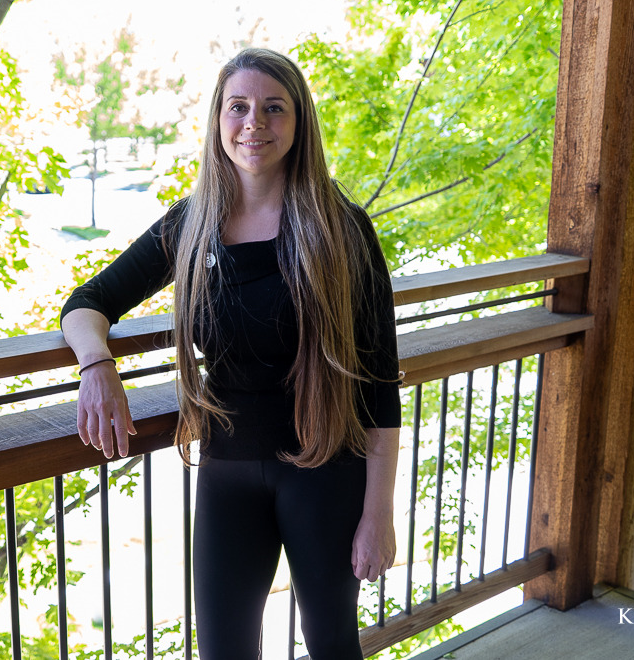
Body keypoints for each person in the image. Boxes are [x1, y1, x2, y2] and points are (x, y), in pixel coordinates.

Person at [59, 48, 401, 660]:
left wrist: (379, 513)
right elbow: (89, 303)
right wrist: (96, 366)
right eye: (238, 108)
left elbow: (378, 382)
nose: (254, 124)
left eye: (274, 108)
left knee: (331, 645)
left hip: (325, 468)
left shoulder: (341, 227)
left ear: (299, 124)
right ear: (218, 121)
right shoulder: (191, 226)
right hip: (227, 470)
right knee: (224, 651)